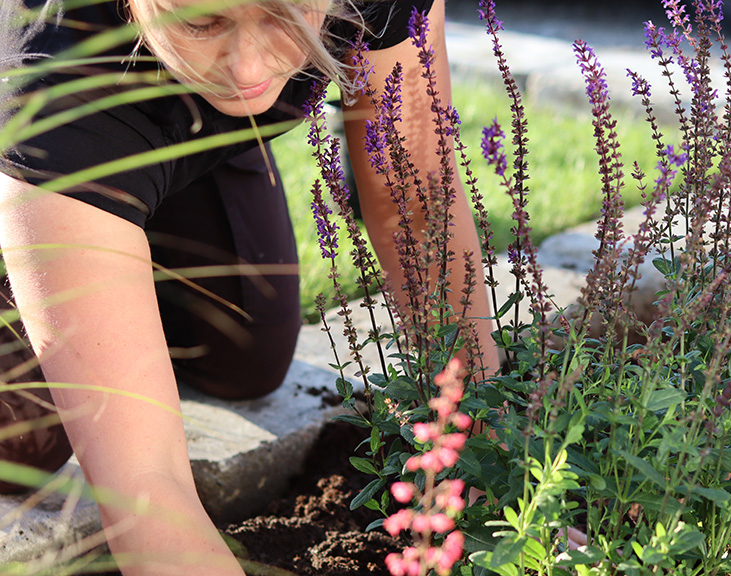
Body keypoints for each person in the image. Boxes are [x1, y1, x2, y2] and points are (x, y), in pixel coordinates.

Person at [0, 0, 497, 573]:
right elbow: (149, 496)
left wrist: (493, 452)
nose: (248, 70)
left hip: (156, 119)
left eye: (285, 18)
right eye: (203, 22)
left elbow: (415, 203)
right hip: (62, 131)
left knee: (244, 351)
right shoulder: (56, 86)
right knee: (25, 434)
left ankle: (125, 209)